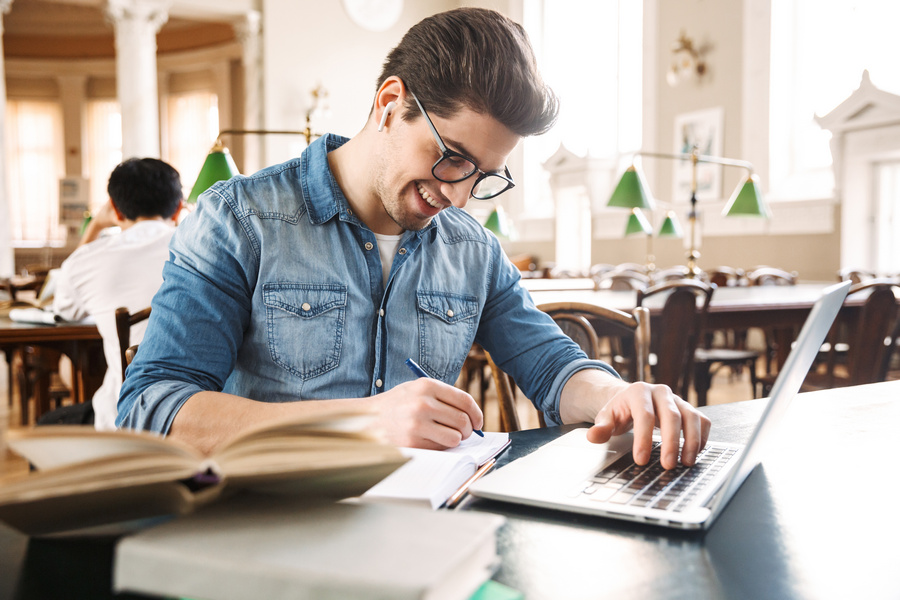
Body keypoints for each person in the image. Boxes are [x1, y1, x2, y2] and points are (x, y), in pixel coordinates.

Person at [118, 8, 710, 470]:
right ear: (389, 103)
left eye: (482, 175)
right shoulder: (237, 218)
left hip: (428, 532)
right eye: (451, 157)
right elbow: (151, 410)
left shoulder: (472, 249)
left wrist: (617, 396)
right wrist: (362, 423)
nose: (457, 196)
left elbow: (552, 366)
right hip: (268, 530)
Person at [50, 158, 183, 430]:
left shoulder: (86, 259)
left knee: (65, 386)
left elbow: (63, 312)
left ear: (115, 210)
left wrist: (96, 226)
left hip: (122, 417)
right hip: (198, 413)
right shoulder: (204, 248)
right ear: (179, 207)